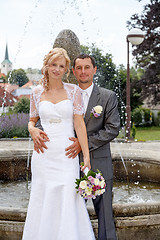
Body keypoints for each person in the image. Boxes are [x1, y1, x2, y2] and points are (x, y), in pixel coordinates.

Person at [22, 48, 95, 240]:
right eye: (53, 64)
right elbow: (32, 120)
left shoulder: (73, 91)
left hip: (67, 155)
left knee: (68, 197)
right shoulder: (36, 92)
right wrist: (32, 129)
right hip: (43, 155)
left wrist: (86, 156)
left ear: (66, 70)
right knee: (43, 197)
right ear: (46, 66)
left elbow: (79, 123)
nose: (57, 69)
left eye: (61, 66)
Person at [65, 54, 120, 240]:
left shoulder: (107, 96)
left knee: (105, 216)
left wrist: (83, 144)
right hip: (68, 163)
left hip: (99, 163)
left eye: (87, 67)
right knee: (69, 212)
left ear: (94, 70)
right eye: (78, 68)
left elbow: (113, 129)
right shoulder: (65, 96)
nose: (83, 72)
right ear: (73, 71)